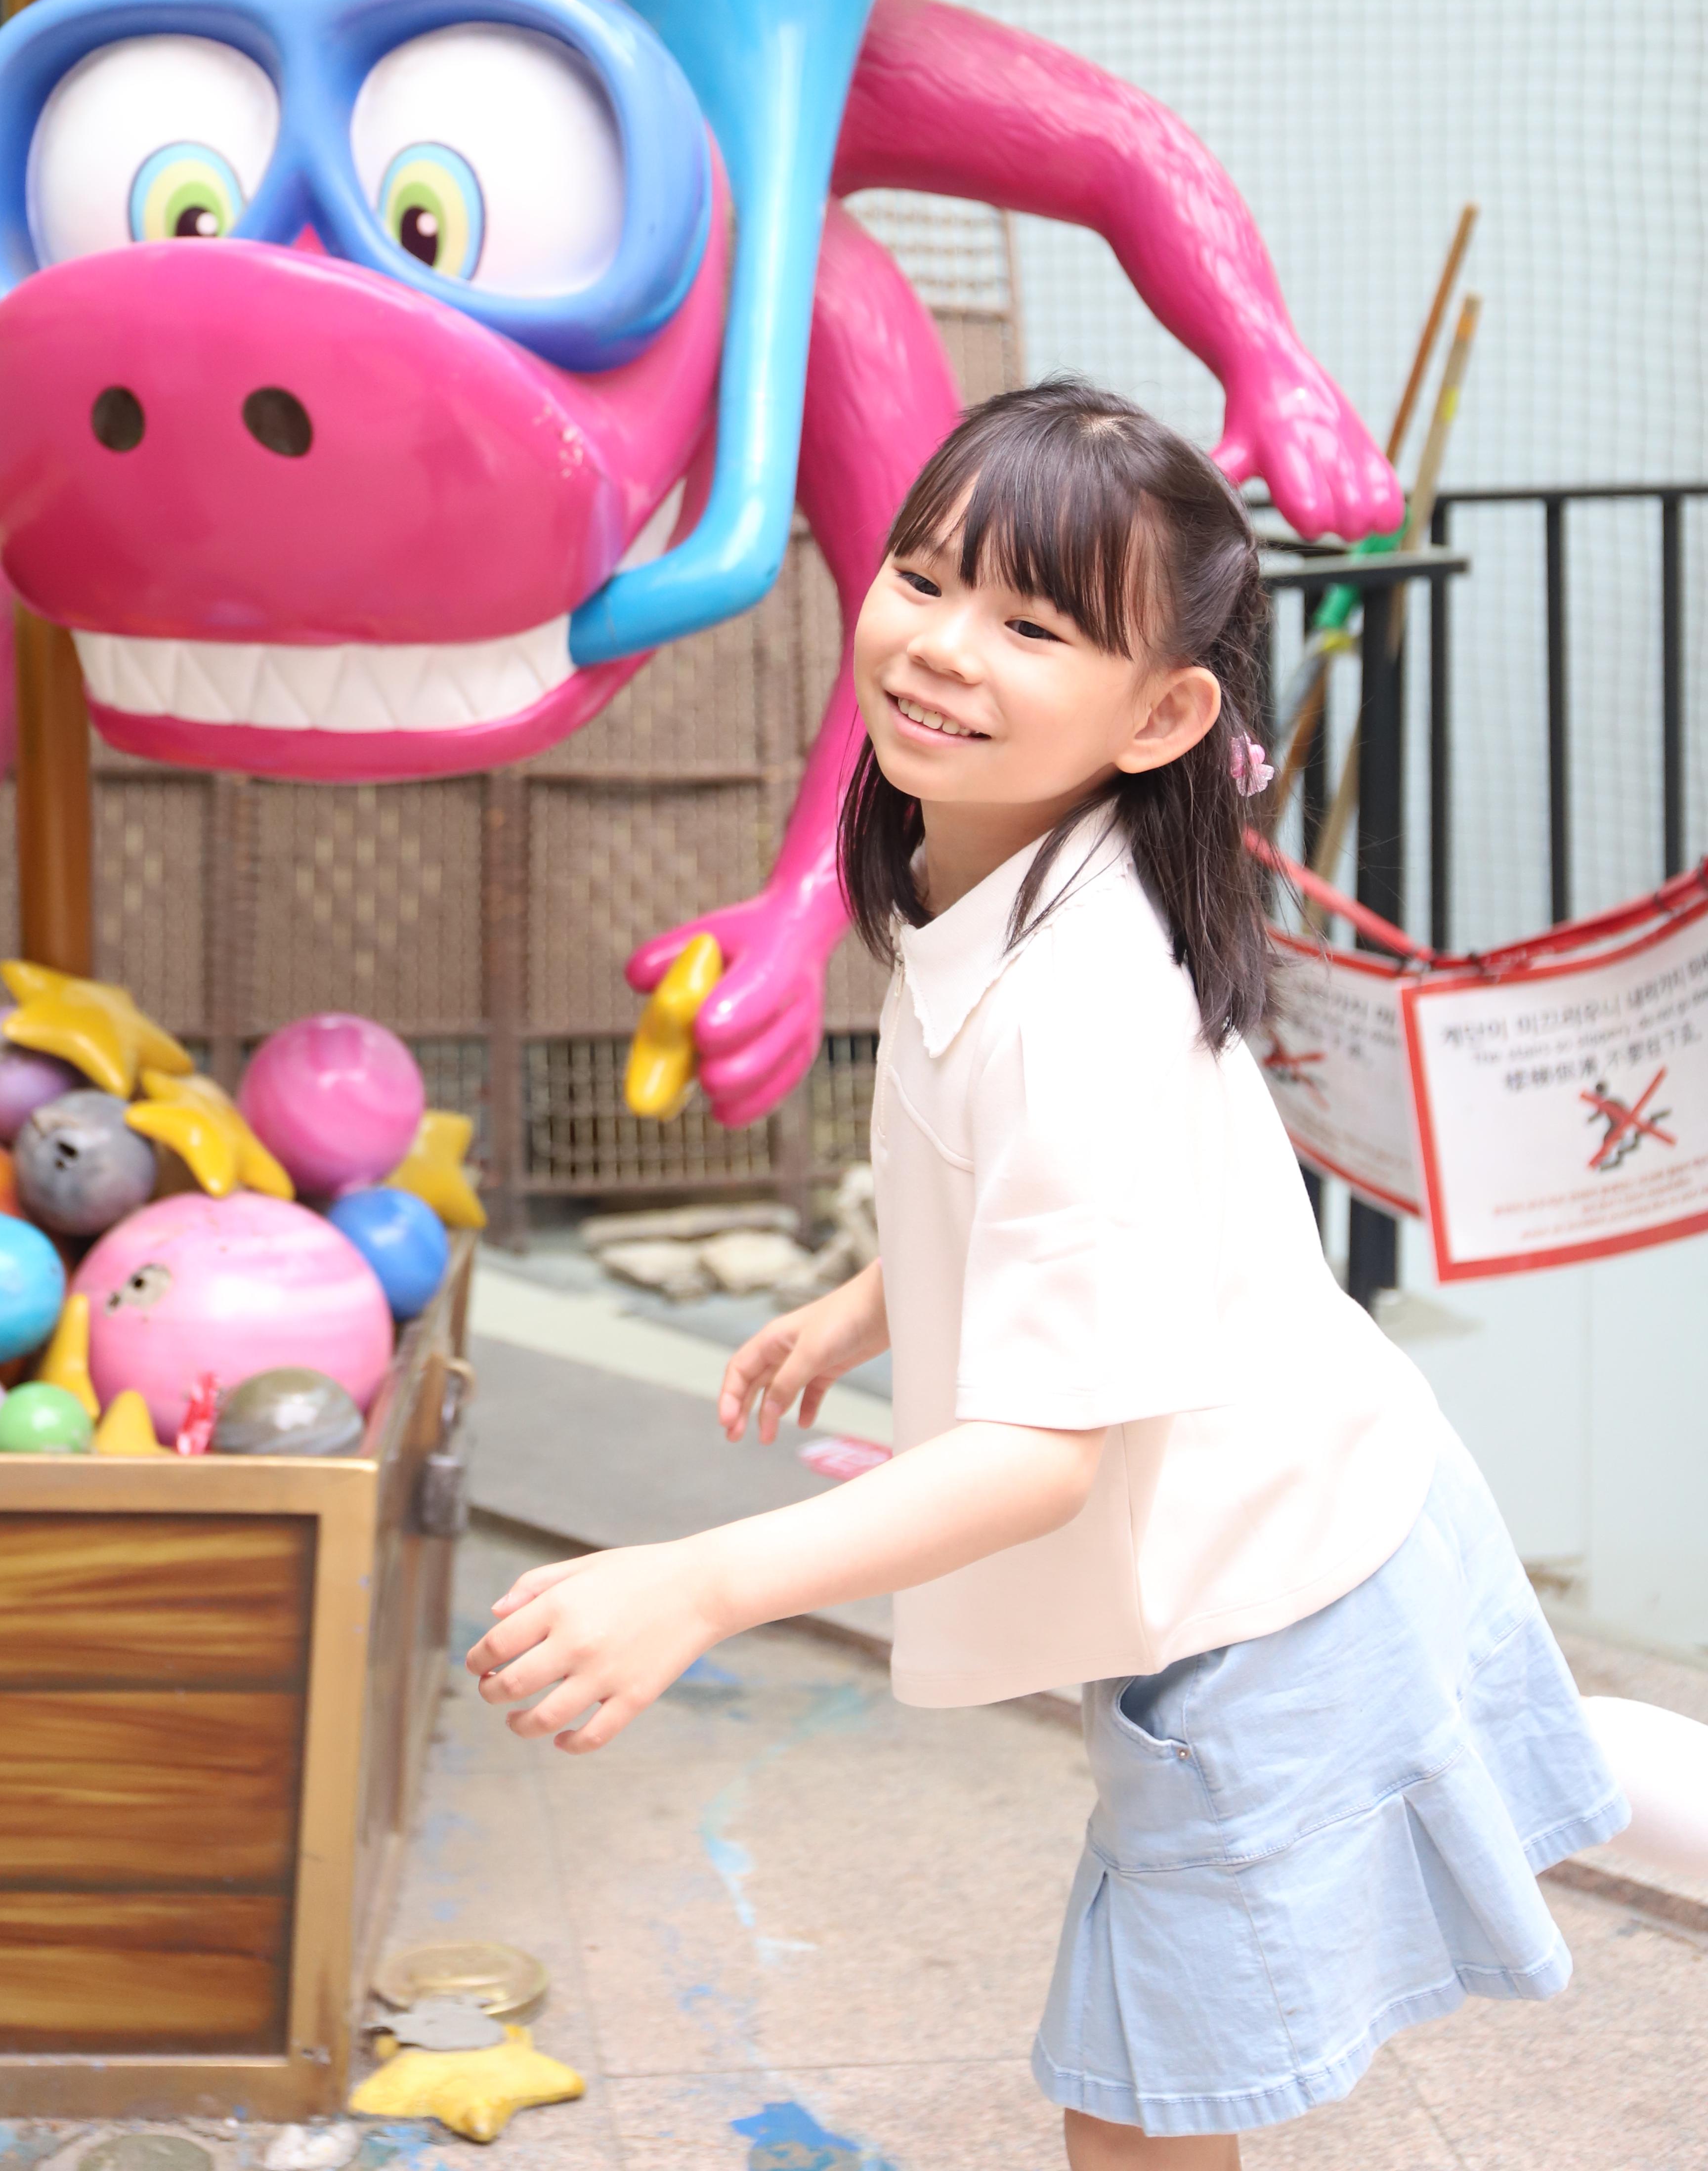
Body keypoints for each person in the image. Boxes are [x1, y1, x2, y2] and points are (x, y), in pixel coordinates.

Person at [466, 377, 1624, 2164]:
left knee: (1136, 2103)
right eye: (925, 580)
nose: (944, 648)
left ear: (1165, 714)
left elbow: (1039, 1458)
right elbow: (1024, 1193)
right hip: (1299, 1516)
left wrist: (698, 1584)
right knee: (1186, 2052)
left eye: (1032, 626)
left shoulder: (1089, 1002)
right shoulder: (986, 862)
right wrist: (878, 1296)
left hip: (1281, 1595)